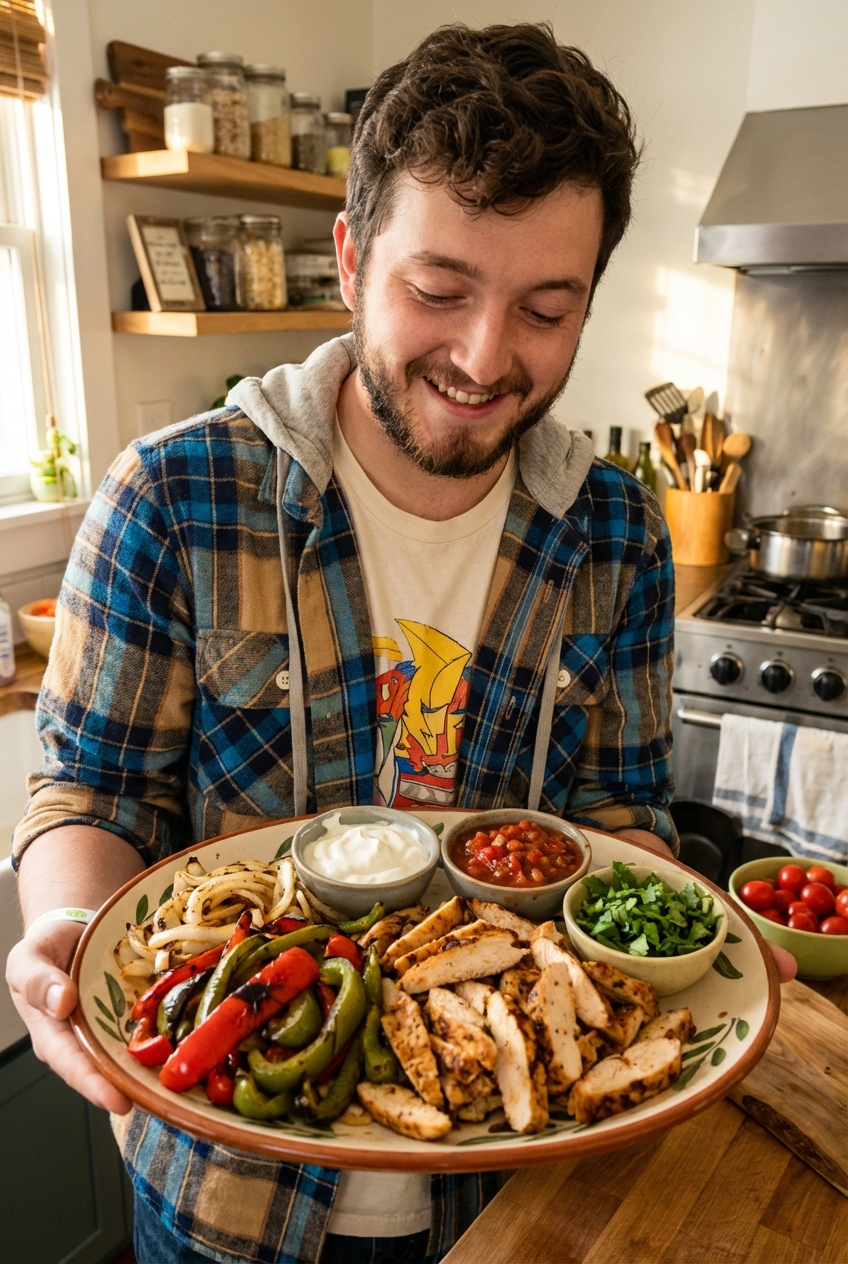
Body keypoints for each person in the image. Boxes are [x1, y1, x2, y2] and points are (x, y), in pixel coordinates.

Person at [6, 21, 794, 1264]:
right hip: (227, 1176)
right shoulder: (172, 496)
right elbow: (87, 795)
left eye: (546, 308)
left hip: (528, 1173)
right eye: (437, 292)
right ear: (348, 259)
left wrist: (679, 930)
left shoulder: (616, 533)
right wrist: (71, 931)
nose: (486, 360)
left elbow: (621, 809)